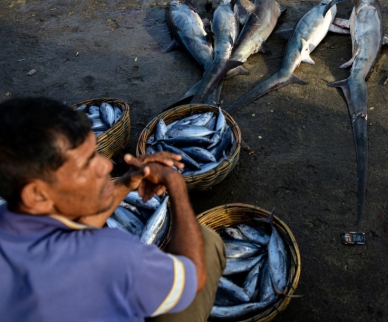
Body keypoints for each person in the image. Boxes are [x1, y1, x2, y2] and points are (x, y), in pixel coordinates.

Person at [0, 97, 226, 321]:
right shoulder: (111, 256)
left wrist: (126, 183)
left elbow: (72, 238)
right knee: (206, 240)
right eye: (87, 163)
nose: (108, 165)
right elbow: (194, 279)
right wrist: (175, 185)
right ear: (36, 195)